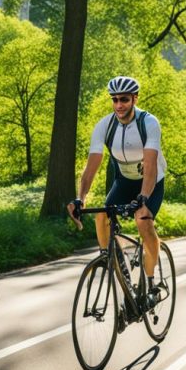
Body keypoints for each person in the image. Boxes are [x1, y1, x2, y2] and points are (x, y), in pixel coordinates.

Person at [68, 76, 167, 310]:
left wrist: (143, 198)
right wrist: (80, 198)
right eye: (115, 100)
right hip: (124, 181)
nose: (119, 104)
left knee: (143, 221)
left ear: (134, 99)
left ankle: (151, 281)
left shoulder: (149, 123)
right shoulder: (105, 125)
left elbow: (151, 166)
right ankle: (112, 260)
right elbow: (91, 166)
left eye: (124, 99)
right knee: (102, 216)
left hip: (151, 181)